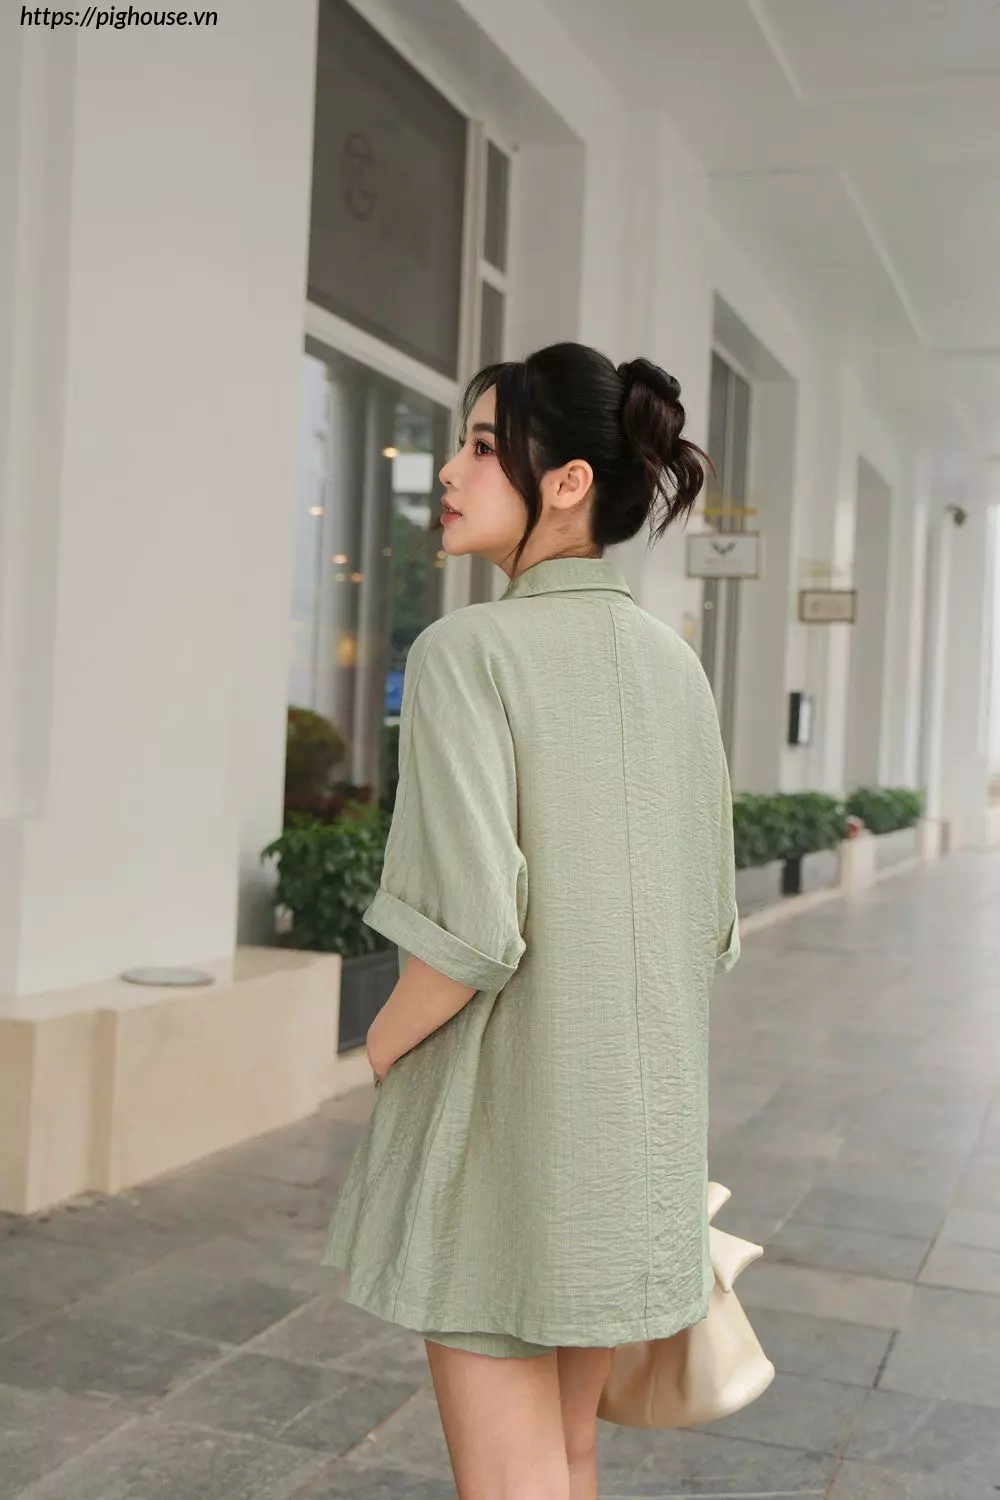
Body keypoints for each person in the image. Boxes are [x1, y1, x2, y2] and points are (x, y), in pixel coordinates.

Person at [324, 342, 740, 1500]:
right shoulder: (675, 668)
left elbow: (464, 929)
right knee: (565, 1456)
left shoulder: (465, 653)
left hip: (509, 1132)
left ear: (565, 483)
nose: (448, 471)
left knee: (511, 1479)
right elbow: (711, 922)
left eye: (479, 446)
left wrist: (380, 1046)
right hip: (637, 1143)